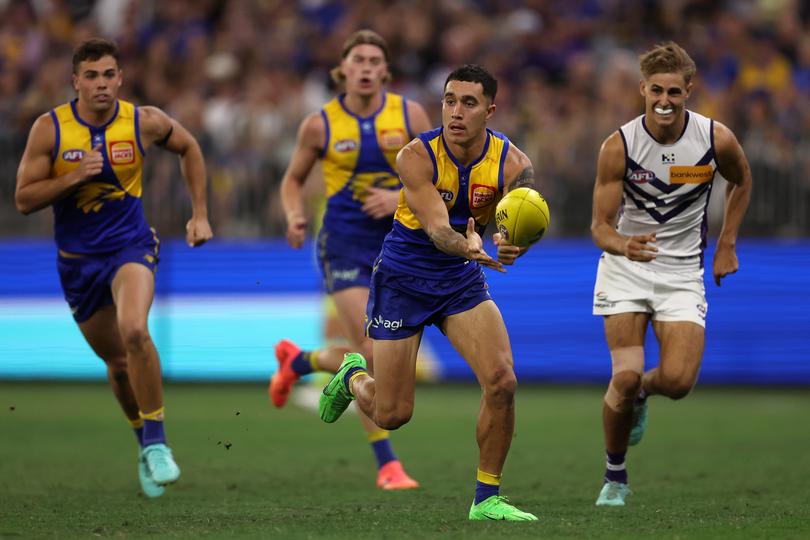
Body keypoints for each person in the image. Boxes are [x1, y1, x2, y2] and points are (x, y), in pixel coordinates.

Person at [318, 64, 539, 521]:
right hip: (404, 276)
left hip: (459, 281)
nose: (456, 112)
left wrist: (510, 243)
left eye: (469, 103)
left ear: (491, 111)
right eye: (449, 100)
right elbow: (439, 229)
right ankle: (354, 376)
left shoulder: (515, 165)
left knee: (502, 381)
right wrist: (469, 246)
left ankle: (487, 498)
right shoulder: (415, 156)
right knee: (392, 414)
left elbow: (516, 218)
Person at [15, 38, 213, 499]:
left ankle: (159, 442)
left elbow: (190, 148)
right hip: (77, 263)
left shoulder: (143, 121)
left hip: (131, 246)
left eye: (109, 75)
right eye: (91, 76)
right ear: (75, 81)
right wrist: (73, 177)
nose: (101, 84)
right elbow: (24, 199)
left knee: (134, 330)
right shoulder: (51, 130)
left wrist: (199, 213)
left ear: (120, 78)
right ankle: (144, 443)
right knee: (118, 364)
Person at [590, 41, 751, 506]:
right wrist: (623, 244)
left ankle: (642, 394)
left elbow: (742, 180)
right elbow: (599, 227)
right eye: (656, 90)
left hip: (682, 271)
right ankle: (614, 478)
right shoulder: (617, 146)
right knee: (623, 375)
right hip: (625, 268)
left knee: (678, 382)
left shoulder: (715, 139)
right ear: (642, 88)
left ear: (689, 91)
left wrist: (727, 243)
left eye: (674, 92)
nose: (664, 100)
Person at [271, 29, 432, 490]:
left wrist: (397, 195)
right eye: (357, 59)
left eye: (373, 60)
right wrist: (295, 214)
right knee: (369, 348)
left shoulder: (409, 114)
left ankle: (301, 362)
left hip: (399, 245)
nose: (365, 67)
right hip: (343, 244)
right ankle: (387, 464)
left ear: (385, 70)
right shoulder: (319, 125)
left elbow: (441, 173)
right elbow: (291, 180)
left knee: (380, 355)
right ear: (343, 70)